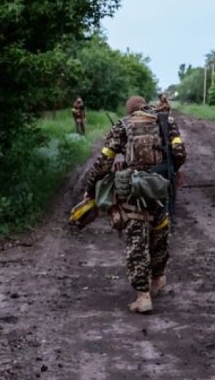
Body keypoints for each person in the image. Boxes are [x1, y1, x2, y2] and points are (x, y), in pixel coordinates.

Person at [83, 95, 186, 313]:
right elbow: (179, 153)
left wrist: (90, 188)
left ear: (130, 111)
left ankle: (143, 297)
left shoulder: (123, 126)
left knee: (137, 240)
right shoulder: (166, 121)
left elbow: (104, 161)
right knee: (159, 234)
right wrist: (168, 171)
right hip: (160, 188)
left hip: (134, 190)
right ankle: (158, 279)